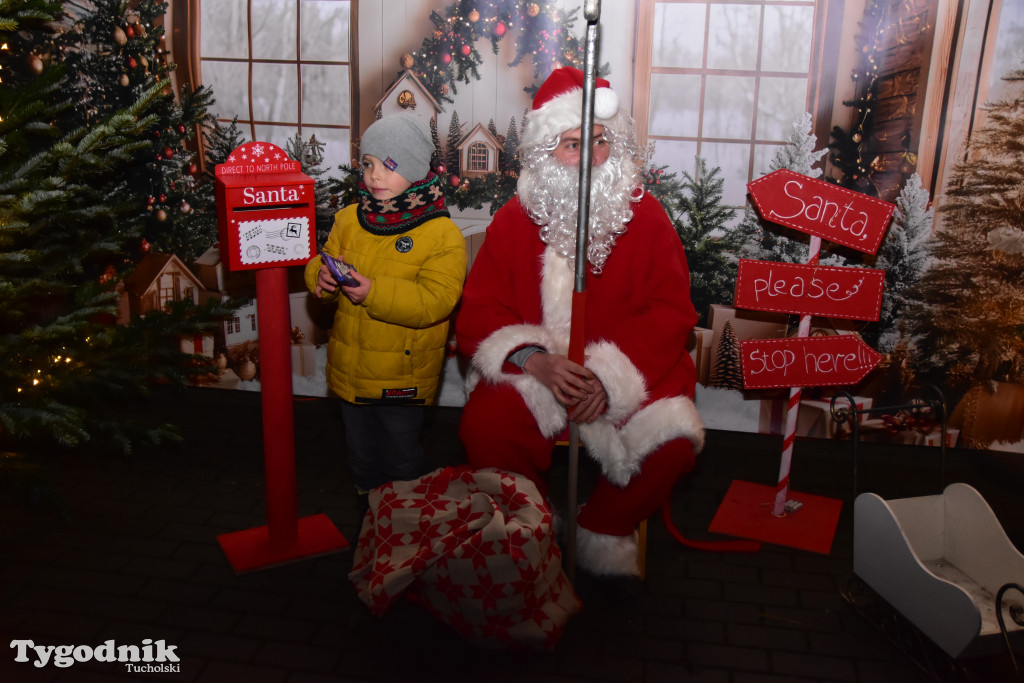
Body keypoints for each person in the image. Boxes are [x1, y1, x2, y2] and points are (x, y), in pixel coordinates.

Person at [456, 67, 704, 578]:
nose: (590, 159)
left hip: (627, 368)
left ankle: (603, 527)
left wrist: (607, 380)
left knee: (673, 439)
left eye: (599, 141)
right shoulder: (515, 218)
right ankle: (533, 527)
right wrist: (534, 359)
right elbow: (481, 307)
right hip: (541, 368)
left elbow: (671, 311)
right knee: (486, 426)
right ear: (547, 152)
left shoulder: (647, 216)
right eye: (572, 145)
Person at [305, 112, 466, 510]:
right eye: (369, 164)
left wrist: (373, 292)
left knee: (400, 458)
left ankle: (404, 530)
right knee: (361, 457)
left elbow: (436, 301)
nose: (374, 177)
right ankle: (370, 523)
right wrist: (319, 278)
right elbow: (323, 259)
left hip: (402, 379)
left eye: (388, 166)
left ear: (413, 168)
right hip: (351, 371)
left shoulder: (441, 233)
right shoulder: (349, 218)